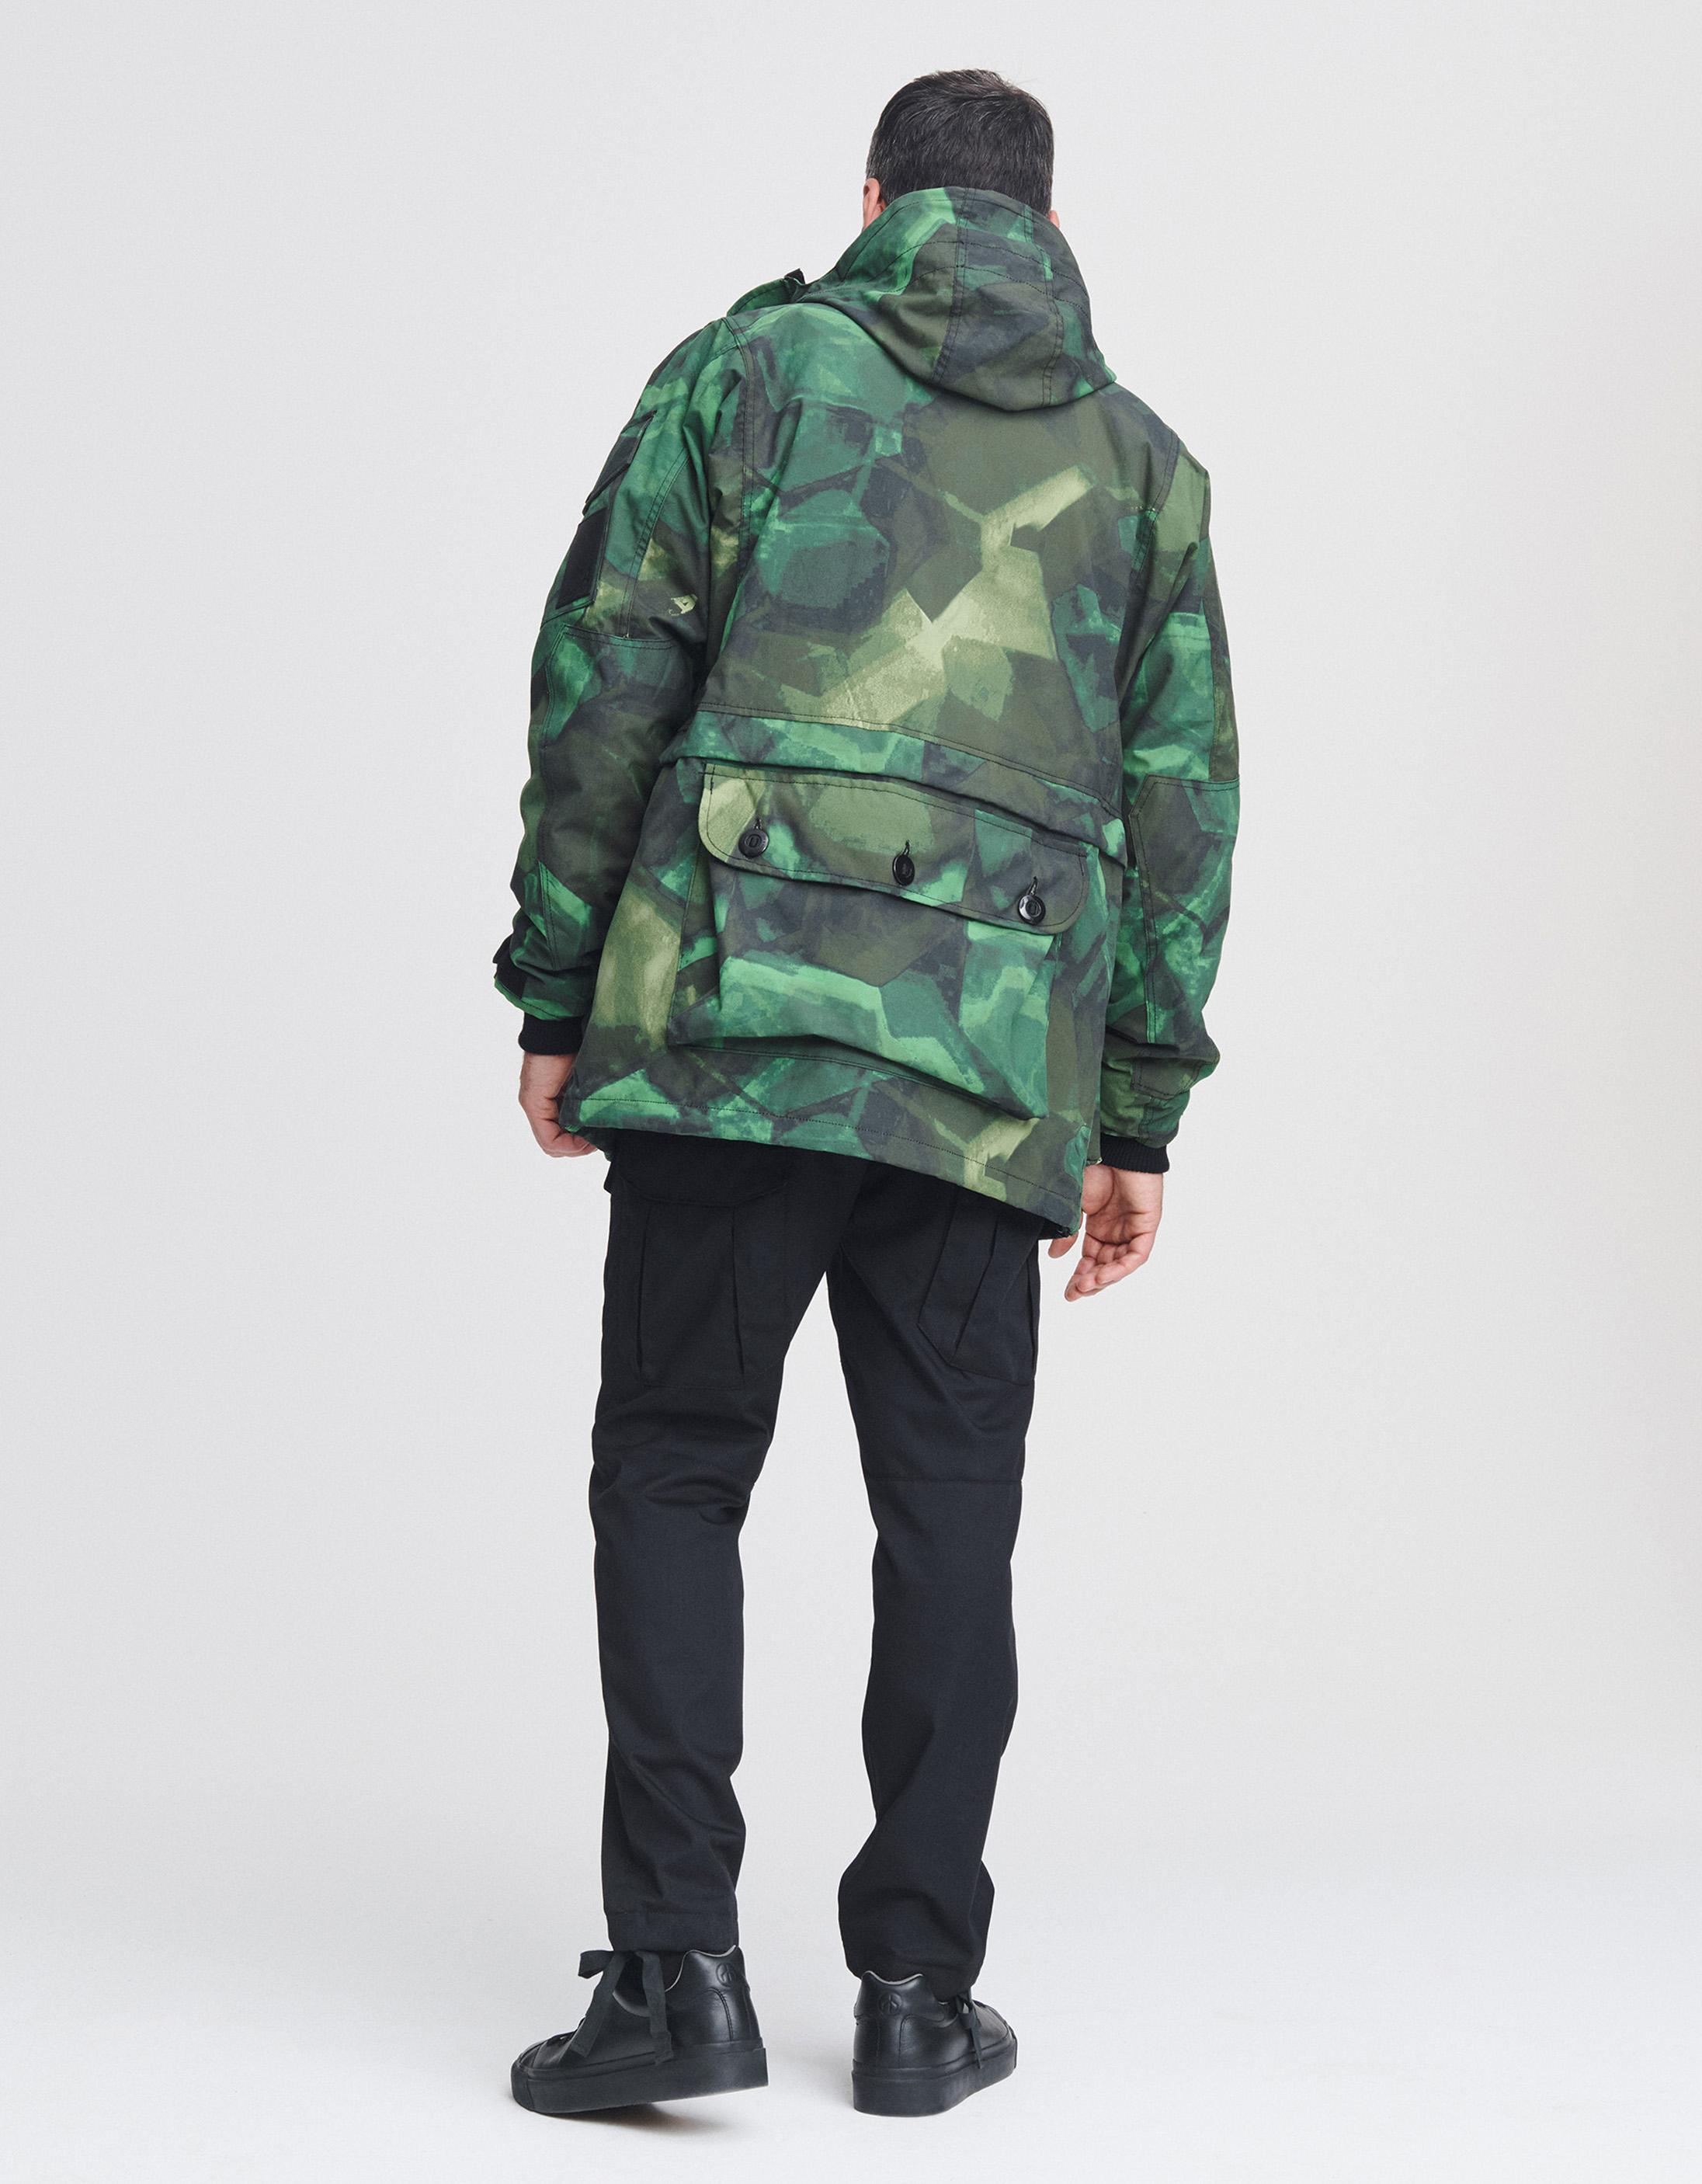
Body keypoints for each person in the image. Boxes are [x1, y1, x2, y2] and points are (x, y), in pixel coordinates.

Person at [494, 67, 1238, 2120]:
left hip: (730, 1036)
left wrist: (557, 985)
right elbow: (1182, 807)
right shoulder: (1142, 469)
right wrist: (1137, 1112)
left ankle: (674, 1974)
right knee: (950, 1518)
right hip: (987, 1074)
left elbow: (604, 678)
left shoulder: (747, 375)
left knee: (675, 1467)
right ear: (1051, 227)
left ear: (875, 197)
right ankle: (916, 1994)